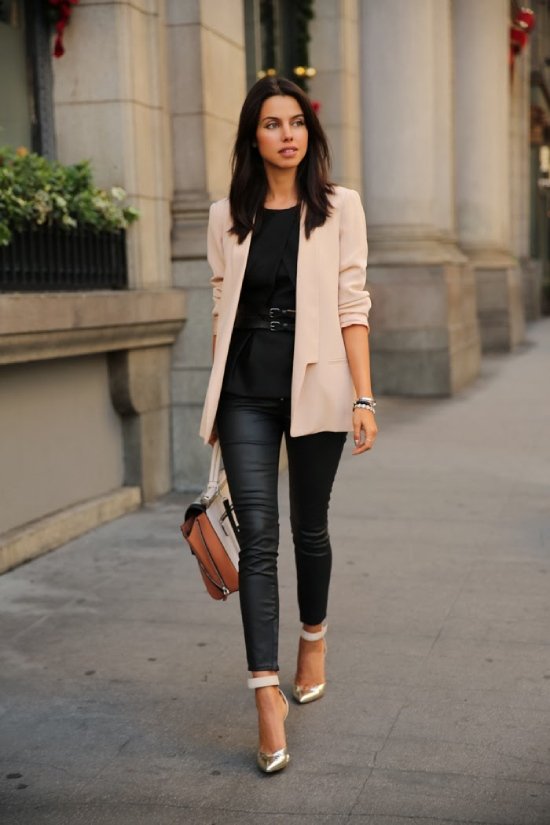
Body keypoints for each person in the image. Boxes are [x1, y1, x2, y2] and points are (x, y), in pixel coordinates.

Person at [199, 76, 377, 774]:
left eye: (296, 121)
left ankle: (314, 635)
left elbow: (353, 303)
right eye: (272, 124)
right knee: (259, 539)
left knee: (309, 525)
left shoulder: (339, 208)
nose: (287, 134)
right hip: (245, 390)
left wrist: (364, 396)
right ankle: (264, 692)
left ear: (310, 132)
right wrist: (214, 405)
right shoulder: (226, 215)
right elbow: (221, 309)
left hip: (319, 386)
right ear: (253, 136)